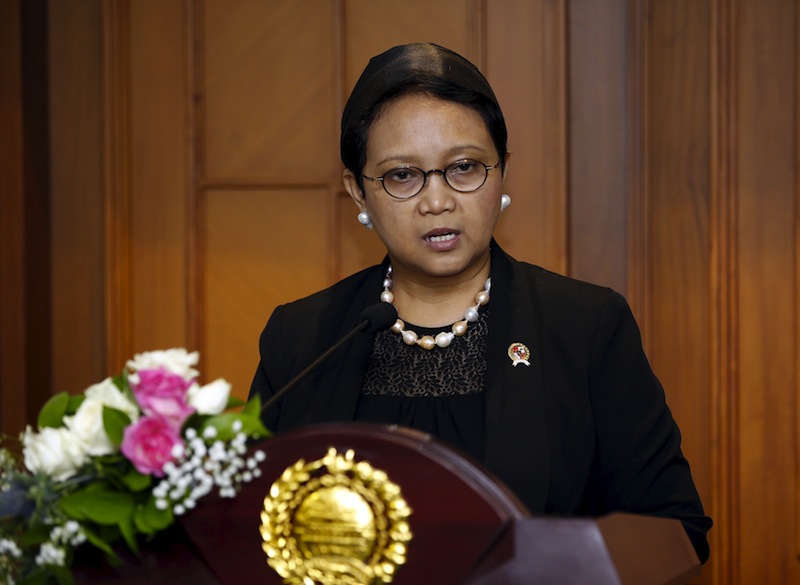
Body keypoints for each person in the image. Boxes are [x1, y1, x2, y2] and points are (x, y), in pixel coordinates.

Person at [249, 42, 712, 562]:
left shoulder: (585, 327)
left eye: (465, 167)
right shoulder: (303, 337)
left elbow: (676, 532)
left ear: (502, 170)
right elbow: (242, 526)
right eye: (403, 175)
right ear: (358, 192)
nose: (438, 200)